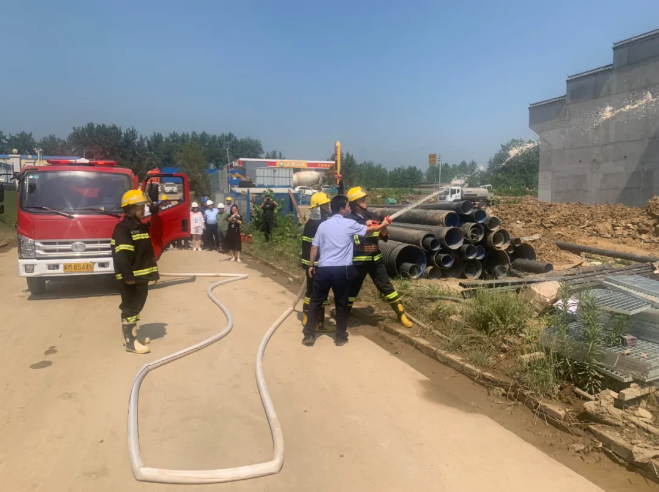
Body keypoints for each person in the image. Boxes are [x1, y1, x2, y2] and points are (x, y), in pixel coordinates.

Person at [303, 195, 391, 347]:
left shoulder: (323, 225)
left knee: (316, 301)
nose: (349, 208)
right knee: (341, 303)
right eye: (348, 206)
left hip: (323, 269)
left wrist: (311, 265)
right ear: (342, 209)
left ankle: (309, 335)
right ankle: (340, 337)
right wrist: (384, 224)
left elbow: (314, 247)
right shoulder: (349, 224)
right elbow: (370, 230)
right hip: (341, 270)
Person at [346, 187, 413, 328]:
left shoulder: (373, 216)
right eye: (361, 200)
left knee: (387, 287)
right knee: (352, 289)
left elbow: (385, 237)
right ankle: (344, 314)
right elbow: (354, 235)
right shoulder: (349, 220)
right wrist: (367, 226)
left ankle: (401, 314)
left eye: (364, 199)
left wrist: (383, 227)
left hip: (375, 259)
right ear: (354, 203)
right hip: (358, 261)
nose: (365, 201)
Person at [112, 190, 159, 354]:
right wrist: (127, 276)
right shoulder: (123, 228)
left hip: (141, 275)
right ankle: (131, 343)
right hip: (131, 277)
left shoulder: (138, 226)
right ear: (130, 208)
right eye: (140, 207)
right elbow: (121, 255)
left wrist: (152, 273)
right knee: (130, 308)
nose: (143, 210)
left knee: (137, 305)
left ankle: (131, 336)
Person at [301, 192, 332, 333]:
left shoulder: (311, 222)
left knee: (313, 292)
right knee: (317, 293)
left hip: (312, 263)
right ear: (319, 207)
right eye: (326, 205)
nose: (328, 207)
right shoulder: (320, 223)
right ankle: (316, 322)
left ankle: (312, 320)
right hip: (316, 264)